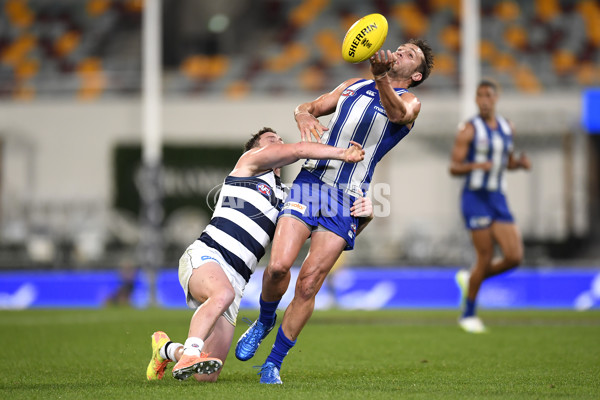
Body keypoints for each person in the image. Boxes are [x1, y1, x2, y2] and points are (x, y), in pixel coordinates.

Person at [235, 39, 435, 384]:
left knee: (310, 283)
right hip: (311, 181)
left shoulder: (409, 101)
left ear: (416, 75)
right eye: (401, 47)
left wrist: (382, 79)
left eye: (411, 54)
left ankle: (273, 364)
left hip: (346, 197)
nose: (401, 51)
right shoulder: (353, 85)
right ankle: (266, 318)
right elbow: (310, 106)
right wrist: (301, 114)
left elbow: (398, 116)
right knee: (280, 266)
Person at [146, 127, 371, 382]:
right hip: (208, 255)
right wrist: (343, 153)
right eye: (271, 141)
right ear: (257, 150)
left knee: (207, 376)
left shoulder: (288, 199)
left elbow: (328, 236)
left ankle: (165, 349)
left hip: (237, 280)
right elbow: (297, 150)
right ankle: (191, 351)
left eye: (280, 140)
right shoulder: (248, 165)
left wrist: (363, 216)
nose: (278, 144)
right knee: (222, 294)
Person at [449, 80, 531, 333]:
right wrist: (475, 166)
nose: (484, 100)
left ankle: (470, 278)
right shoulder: (469, 130)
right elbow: (454, 167)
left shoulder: (508, 128)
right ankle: (468, 314)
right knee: (484, 256)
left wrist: (518, 164)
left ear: (496, 98)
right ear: (476, 100)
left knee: (514, 257)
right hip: (475, 198)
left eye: (488, 95)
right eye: (480, 96)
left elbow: (504, 162)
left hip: (497, 197)